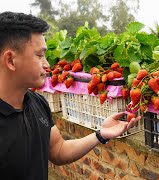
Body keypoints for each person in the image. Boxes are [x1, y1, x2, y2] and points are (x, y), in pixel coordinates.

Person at [0, 11, 140, 180]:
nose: (46, 65)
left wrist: (100, 134)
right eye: (39, 55)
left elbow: (59, 150)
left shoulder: (37, 103)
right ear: (10, 60)